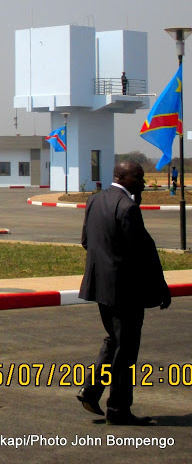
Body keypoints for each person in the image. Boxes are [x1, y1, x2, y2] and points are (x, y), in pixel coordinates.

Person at [77, 161, 171, 426]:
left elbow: (86, 241)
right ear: (121, 176)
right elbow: (142, 253)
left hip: (100, 286)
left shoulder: (95, 200)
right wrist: (160, 288)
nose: (143, 182)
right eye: (137, 177)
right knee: (126, 349)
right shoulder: (128, 207)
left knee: (115, 341)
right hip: (124, 291)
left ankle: (91, 390)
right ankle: (118, 409)